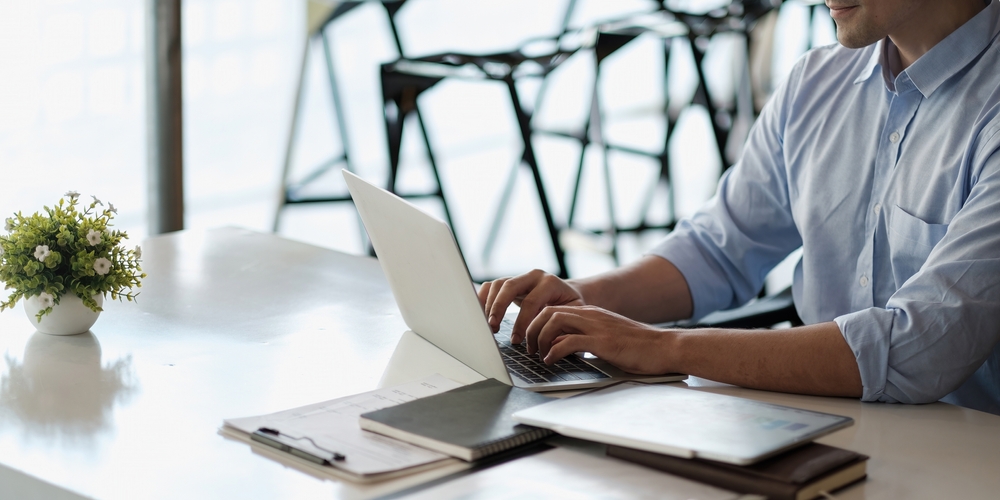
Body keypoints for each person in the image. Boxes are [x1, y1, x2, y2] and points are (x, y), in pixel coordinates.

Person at [478, 0, 1000, 415]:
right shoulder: (816, 83)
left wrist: (663, 348)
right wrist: (578, 303)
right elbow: (718, 249)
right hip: (821, 420)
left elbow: (919, 348)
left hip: (967, 450)